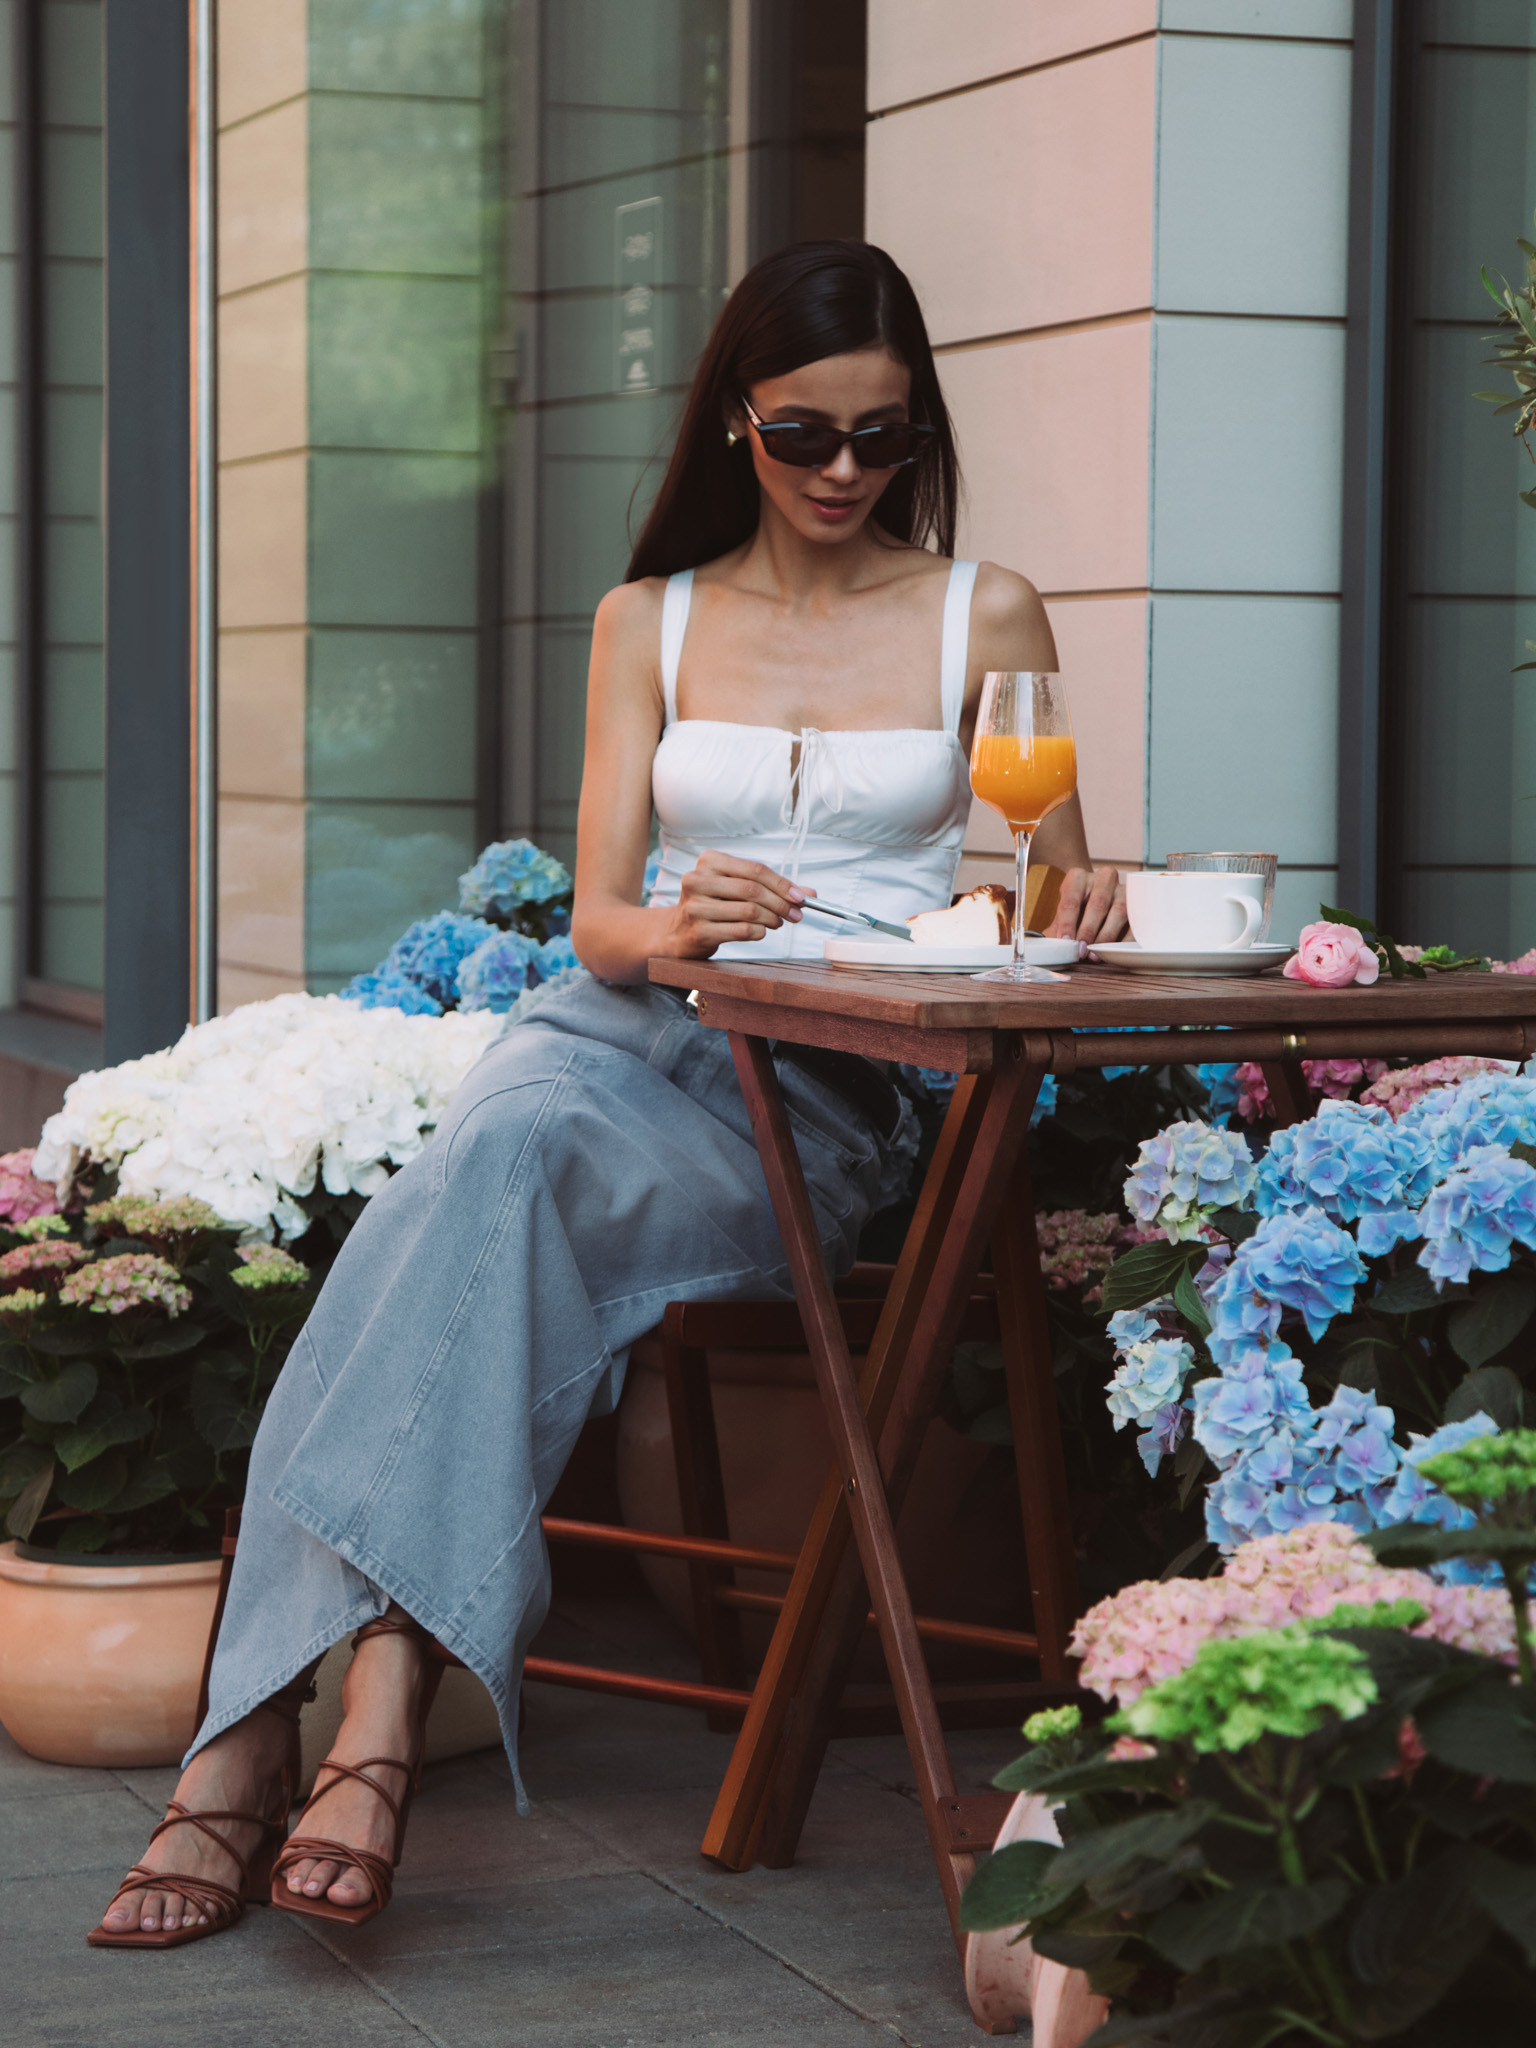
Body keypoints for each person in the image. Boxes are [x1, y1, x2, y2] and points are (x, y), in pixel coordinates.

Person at [89, 240, 1125, 1949]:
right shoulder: (649, 618)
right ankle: (371, 1712)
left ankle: (266, 1723)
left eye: (882, 436)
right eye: (805, 435)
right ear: (735, 419)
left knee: (472, 1189)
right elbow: (597, 924)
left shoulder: (984, 611)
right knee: (505, 1149)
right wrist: (677, 918)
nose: (846, 472)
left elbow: (1042, 894)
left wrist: (1078, 903)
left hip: (820, 1097)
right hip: (617, 1031)